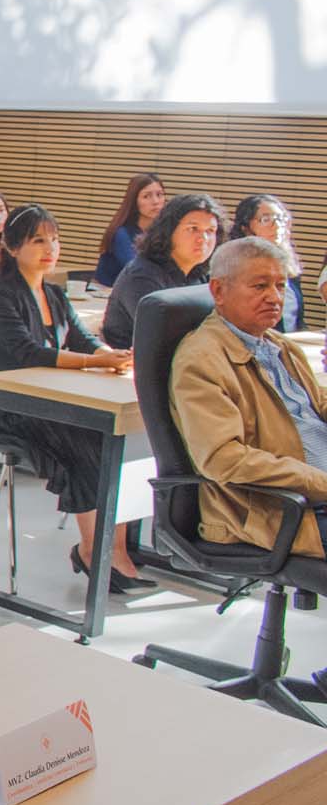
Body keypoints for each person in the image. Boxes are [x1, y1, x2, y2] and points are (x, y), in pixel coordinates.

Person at [0, 205, 147, 592]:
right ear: (13, 247)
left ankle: (114, 547)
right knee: (85, 443)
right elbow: (28, 352)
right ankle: (92, 551)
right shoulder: (1, 295)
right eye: (38, 240)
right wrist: (94, 360)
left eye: (54, 239)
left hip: (47, 400)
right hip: (5, 407)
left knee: (112, 440)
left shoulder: (52, 292)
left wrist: (110, 355)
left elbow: (82, 339)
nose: (50, 248)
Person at [170, 236, 327, 560]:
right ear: (218, 291)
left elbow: (316, 405)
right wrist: (319, 481)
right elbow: (223, 458)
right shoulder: (202, 359)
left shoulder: (279, 345)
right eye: (260, 286)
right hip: (283, 511)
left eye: (281, 286)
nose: (275, 297)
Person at [101, 193, 222, 348]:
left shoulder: (201, 275)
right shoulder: (142, 275)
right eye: (193, 229)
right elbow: (164, 336)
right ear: (169, 231)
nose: (204, 238)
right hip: (129, 366)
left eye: (211, 230)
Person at [229, 195, 305, 333]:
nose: (276, 225)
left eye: (280, 219)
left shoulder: (288, 266)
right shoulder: (234, 268)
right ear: (245, 228)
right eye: (266, 219)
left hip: (290, 345)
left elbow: (297, 321)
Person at [94, 172, 166, 287]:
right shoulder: (122, 233)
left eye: (159, 194)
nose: (156, 201)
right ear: (134, 201)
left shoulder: (162, 231)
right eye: (147, 196)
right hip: (108, 293)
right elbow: (138, 271)